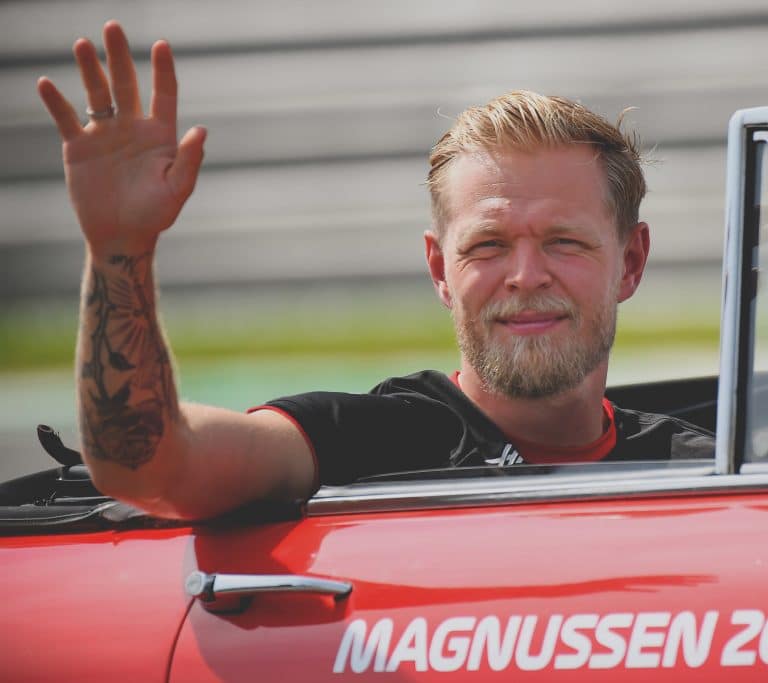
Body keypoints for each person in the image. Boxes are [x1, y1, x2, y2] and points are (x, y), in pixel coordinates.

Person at [37, 22, 713, 520]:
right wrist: (119, 249)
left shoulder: (709, 470)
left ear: (630, 262)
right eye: (487, 246)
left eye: (564, 242)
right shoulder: (374, 442)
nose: (525, 273)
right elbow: (147, 464)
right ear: (438, 269)